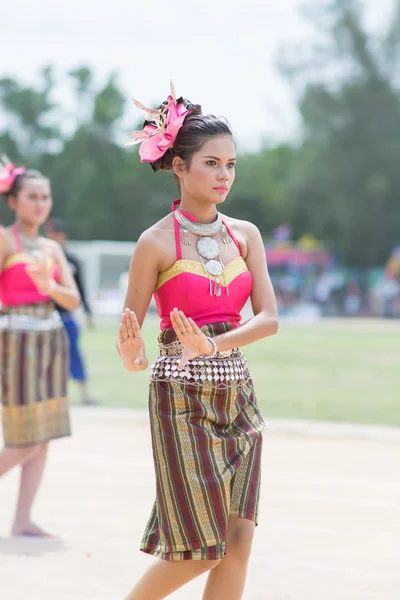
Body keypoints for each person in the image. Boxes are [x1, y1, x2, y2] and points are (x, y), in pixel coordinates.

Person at [117, 84, 278, 600]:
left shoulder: (246, 235)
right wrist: (131, 353)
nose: (225, 174)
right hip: (180, 400)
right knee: (202, 550)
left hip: (239, 395)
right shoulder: (155, 241)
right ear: (179, 167)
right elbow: (134, 335)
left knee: (239, 539)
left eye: (231, 164)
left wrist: (216, 345)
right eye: (212, 163)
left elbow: (270, 319)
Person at [0, 158, 80, 536]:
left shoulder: (51, 247)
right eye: (32, 196)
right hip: (15, 344)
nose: (39, 203)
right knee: (25, 438)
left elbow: (73, 300)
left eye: (45, 197)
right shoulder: (4, 239)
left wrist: (49, 288)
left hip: (50, 341)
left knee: (43, 435)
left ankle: (22, 519)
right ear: (13, 201)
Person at [45, 217, 99, 405]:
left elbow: (81, 289)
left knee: (74, 353)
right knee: (48, 356)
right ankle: (54, 394)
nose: (56, 237)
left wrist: (88, 312)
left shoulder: (71, 261)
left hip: (66, 315)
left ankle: (84, 393)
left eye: (59, 233)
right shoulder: (41, 259)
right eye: (52, 233)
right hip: (46, 316)